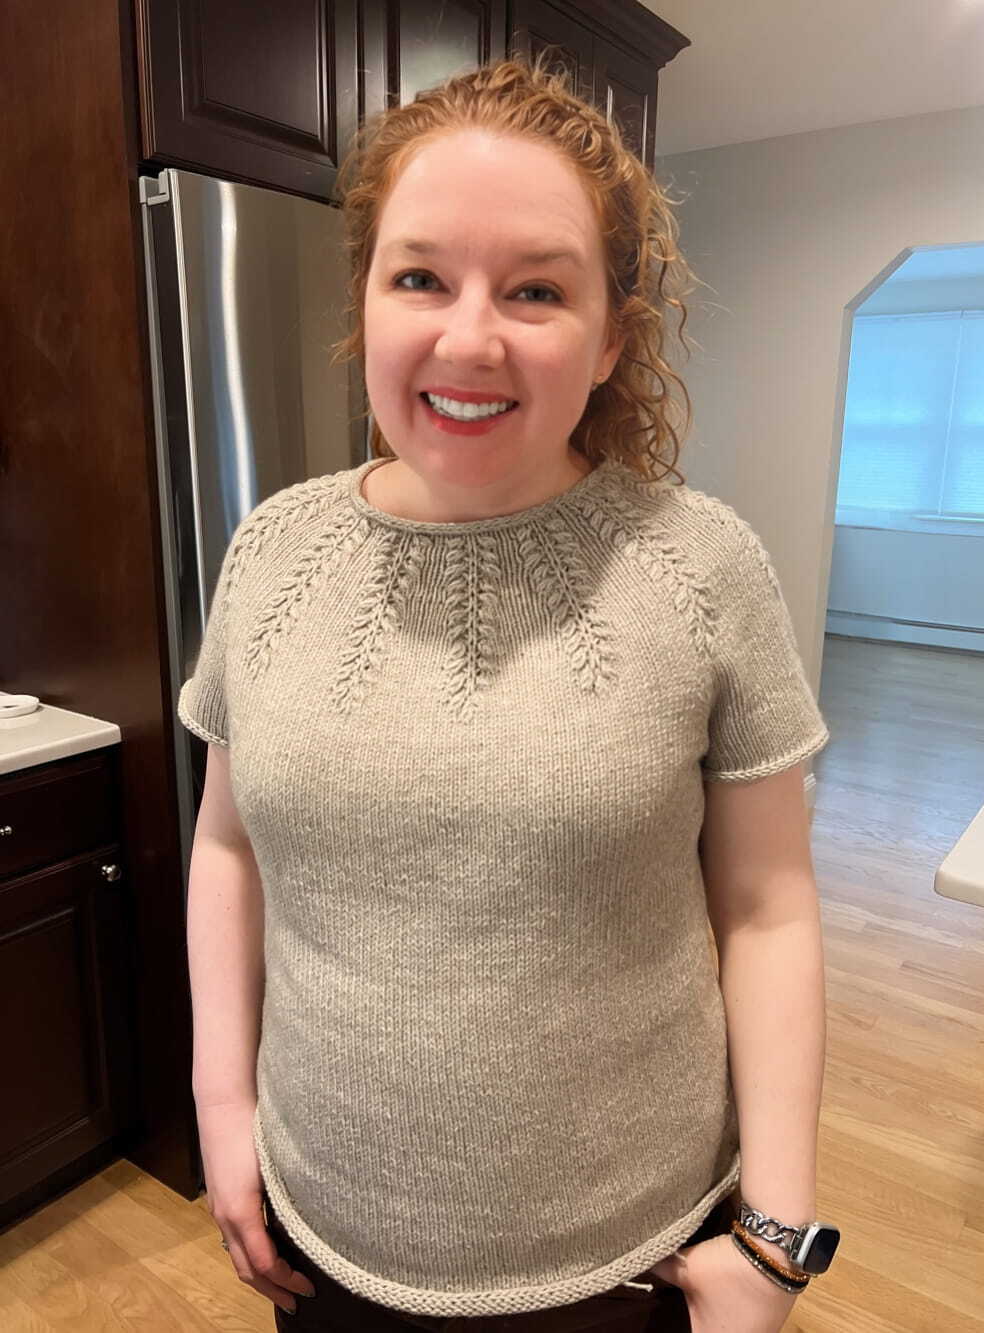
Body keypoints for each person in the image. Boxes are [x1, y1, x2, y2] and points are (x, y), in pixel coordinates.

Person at [180, 49, 833, 1333]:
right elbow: (226, 845)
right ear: (364, 299)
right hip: (324, 1241)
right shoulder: (270, 551)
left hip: (624, 1260)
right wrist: (220, 1112)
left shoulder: (702, 568)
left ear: (608, 341)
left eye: (536, 289)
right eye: (419, 275)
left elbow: (767, 909)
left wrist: (773, 1241)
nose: (466, 335)